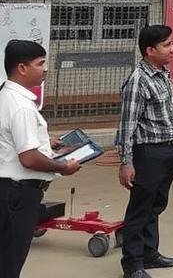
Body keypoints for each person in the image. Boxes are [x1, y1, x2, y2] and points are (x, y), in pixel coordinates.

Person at [0, 40, 82, 278]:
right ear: (22, 68)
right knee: (10, 262)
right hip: (19, 193)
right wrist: (62, 167)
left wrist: (46, 141)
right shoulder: (22, 106)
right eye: (40, 63)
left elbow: (11, 138)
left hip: (8, 189)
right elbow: (29, 158)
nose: (45, 69)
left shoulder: (6, 95)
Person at [116, 25, 173, 278]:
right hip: (148, 154)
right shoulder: (137, 81)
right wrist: (126, 162)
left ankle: (149, 254)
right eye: (167, 45)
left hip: (168, 151)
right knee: (140, 209)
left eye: (171, 43)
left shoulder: (162, 74)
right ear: (150, 50)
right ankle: (132, 265)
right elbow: (127, 126)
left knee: (156, 205)